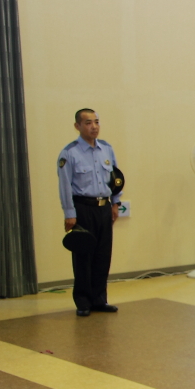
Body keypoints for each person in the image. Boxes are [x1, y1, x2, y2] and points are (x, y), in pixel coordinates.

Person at [57, 108, 122, 317]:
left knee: (103, 255)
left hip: (104, 208)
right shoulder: (69, 153)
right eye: (88, 123)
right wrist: (69, 213)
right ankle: (83, 301)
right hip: (82, 209)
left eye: (96, 122)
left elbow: (116, 178)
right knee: (83, 256)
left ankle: (99, 300)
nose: (94, 126)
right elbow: (65, 186)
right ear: (77, 126)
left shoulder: (106, 149)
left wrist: (115, 203)